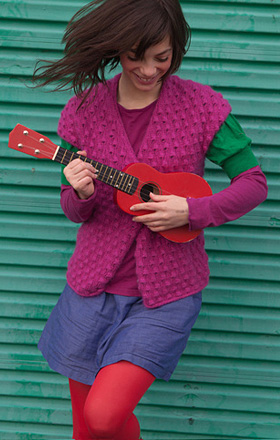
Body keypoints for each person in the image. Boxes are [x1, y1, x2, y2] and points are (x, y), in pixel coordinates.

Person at [34, 0, 268, 439]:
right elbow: (73, 208)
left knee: (104, 417)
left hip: (166, 292)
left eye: (162, 58)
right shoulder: (85, 110)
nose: (148, 69)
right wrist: (81, 192)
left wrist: (193, 210)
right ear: (115, 50)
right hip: (91, 287)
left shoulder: (201, 107)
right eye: (134, 56)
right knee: (85, 428)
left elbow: (253, 183)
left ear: (176, 49)